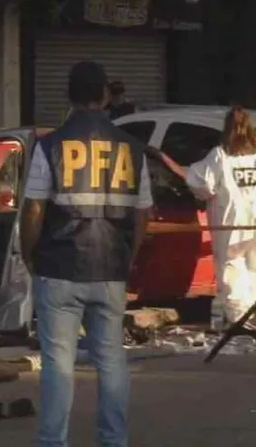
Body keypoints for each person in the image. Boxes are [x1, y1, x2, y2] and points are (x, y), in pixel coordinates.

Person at [20, 61, 153, 447]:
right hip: (111, 266)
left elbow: (33, 210)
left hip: (60, 267)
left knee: (58, 363)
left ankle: (52, 442)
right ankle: (113, 441)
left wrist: (29, 254)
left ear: (69, 96)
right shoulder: (132, 150)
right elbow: (143, 213)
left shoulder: (50, 146)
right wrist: (128, 256)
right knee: (111, 360)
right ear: (106, 95)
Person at [184, 106, 256, 328]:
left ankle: (239, 315)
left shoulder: (221, 155)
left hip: (231, 220)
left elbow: (201, 183)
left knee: (232, 265)